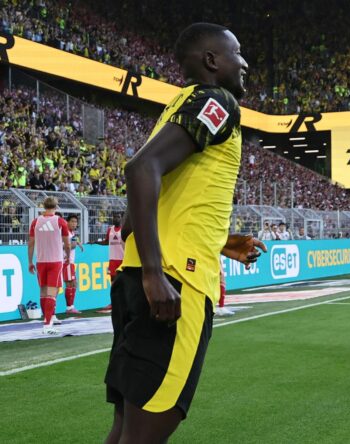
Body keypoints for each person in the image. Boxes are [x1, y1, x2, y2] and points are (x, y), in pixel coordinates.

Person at [104, 23, 266, 444]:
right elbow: (140, 169)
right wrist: (155, 273)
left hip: (138, 280)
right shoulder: (219, 100)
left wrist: (221, 242)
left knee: (125, 432)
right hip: (174, 283)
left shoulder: (176, 107)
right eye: (237, 52)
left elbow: (133, 216)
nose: (245, 63)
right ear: (212, 60)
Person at [27, 197, 70, 334]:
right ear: (56, 207)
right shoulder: (60, 221)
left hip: (41, 260)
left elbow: (31, 243)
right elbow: (67, 244)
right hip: (55, 260)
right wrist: (68, 256)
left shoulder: (36, 222)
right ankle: (47, 325)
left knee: (43, 292)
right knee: (52, 292)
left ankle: (48, 320)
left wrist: (30, 261)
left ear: (44, 206)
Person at [92, 213, 125, 313]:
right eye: (114, 217)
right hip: (113, 259)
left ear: (121, 218)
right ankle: (113, 303)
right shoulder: (110, 230)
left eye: (118, 217)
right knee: (113, 283)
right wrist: (95, 242)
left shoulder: (124, 229)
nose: (116, 219)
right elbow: (106, 242)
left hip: (123, 259)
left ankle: (124, 303)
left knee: (124, 282)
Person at [64, 214, 85, 314]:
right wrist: (73, 245)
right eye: (72, 221)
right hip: (66, 261)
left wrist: (79, 244)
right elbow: (66, 246)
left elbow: (74, 239)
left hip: (71, 262)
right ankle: (69, 308)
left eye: (75, 222)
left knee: (74, 283)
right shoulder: (65, 232)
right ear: (67, 222)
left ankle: (71, 306)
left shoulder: (71, 232)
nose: (74, 224)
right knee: (70, 283)